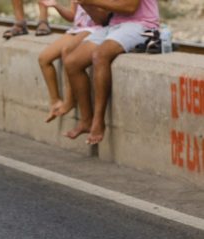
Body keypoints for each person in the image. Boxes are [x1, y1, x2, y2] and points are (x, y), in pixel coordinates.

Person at [63, 0, 159, 145]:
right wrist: (85, 4)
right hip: (114, 26)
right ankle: (86, 120)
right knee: (72, 63)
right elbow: (102, 19)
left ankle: (98, 120)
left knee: (100, 55)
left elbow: (129, 7)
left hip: (141, 25)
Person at [38, 0, 107, 122]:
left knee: (67, 51)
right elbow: (72, 16)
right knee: (43, 58)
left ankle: (70, 101)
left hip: (94, 28)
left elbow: (102, 18)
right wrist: (55, 5)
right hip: (77, 29)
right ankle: (55, 100)